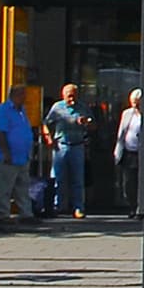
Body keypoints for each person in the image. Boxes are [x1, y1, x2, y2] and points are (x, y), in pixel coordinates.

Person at [45, 83, 91, 220]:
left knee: (78, 179)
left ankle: (78, 208)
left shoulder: (83, 107)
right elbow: (46, 123)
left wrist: (86, 122)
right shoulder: (57, 108)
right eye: (69, 96)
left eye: (74, 96)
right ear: (63, 95)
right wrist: (49, 138)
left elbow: (93, 124)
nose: (72, 99)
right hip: (61, 146)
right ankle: (58, 206)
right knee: (58, 178)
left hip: (77, 145)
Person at [0, 83, 37, 223]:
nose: (25, 97)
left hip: (22, 156)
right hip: (8, 156)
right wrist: (6, 152)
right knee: (4, 187)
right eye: (23, 94)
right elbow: (1, 132)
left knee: (23, 187)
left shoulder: (22, 110)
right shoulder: (3, 110)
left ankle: (26, 213)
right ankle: (3, 213)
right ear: (14, 95)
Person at [116, 87, 144, 219]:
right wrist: (118, 151)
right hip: (128, 152)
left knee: (141, 181)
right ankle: (132, 206)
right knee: (128, 182)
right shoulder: (127, 114)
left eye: (137, 102)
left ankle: (141, 207)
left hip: (142, 153)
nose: (135, 105)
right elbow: (121, 133)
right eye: (133, 102)